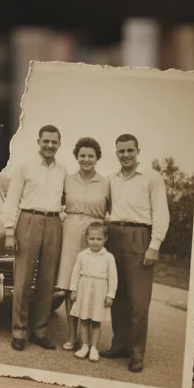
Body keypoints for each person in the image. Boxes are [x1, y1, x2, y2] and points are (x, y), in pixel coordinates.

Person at [101, 134, 170, 374]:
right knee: (118, 294)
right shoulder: (111, 179)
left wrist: (154, 245)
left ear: (137, 151)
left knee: (139, 301)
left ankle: (137, 353)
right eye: (121, 151)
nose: (126, 155)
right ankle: (119, 345)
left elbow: (161, 212)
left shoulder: (152, 177)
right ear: (116, 153)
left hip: (139, 236)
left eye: (130, 150)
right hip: (114, 235)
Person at [3, 125, 66, 352]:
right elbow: (12, 199)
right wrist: (9, 231)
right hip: (28, 220)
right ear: (39, 141)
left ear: (59, 144)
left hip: (54, 223)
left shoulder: (63, 171)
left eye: (54, 142)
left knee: (47, 281)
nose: (50, 145)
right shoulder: (24, 167)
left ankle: (40, 331)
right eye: (46, 141)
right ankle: (19, 332)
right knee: (23, 279)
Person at [56, 137, 110, 351]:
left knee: (90, 283)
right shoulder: (67, 180)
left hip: (94, 235)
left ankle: (87, 338)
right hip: (70, 233)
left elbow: (113, 210)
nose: (86, 159)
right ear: (76, 157)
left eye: (91, 156)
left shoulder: (106, 183)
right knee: (70, 285)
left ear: (97, 158)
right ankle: (72, 336)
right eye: (82, 155)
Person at [69, 221, 118, 362]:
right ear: (86, 238)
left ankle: (94, 348)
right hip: (84, 289)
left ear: (105, 239)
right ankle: (84, 346)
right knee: (84, 318)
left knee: (96, 320)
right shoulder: (82, 255)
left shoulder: (109, 257)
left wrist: (110, 295)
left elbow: (113, 278)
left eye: (99, 239)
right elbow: (75, 273)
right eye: (92, 238)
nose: (95, 242)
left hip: (99, 292)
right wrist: (74, 289)